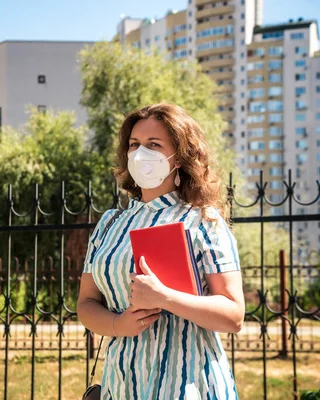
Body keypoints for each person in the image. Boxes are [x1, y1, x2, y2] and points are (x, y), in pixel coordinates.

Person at [77, 103, 244, 400]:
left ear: (178, 156)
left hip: (188, 382)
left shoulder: (202, 220)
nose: (141, 153)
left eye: (154, 144)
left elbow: (233, 315)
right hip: (122, 382)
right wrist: (118, 324)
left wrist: (165, 297)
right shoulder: (110, 223)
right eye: (134, 144)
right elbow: (87, 303)